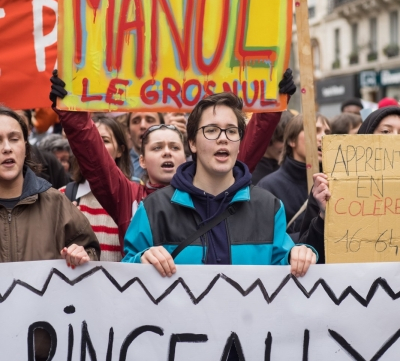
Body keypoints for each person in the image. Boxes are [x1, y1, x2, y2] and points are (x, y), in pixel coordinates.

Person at [50, 70, 295, 252]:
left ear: (190, 151)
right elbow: (94, 157)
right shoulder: (130, 198)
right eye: (157, 147)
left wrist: (272, 102)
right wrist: (71, 110)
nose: (167, 152)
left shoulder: (220, 187)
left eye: (173, 146)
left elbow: (245, 146)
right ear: (142, 160)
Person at [123, 92, 317, 277]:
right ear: (192, 143)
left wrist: (298, 256)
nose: (223, 138)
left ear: (239, 142)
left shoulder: (268, 207)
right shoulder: (153, 210)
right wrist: (141, 261)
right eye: (212, 130)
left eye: (231, 131)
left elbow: (283, 274)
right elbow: (123, 277)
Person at [299, 105, 400, 262]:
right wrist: (325, 215)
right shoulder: (329, 184)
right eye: (386, 132)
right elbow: (307, 253)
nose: (395, 138)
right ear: (367, 136)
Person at [0, 107, 100, 265]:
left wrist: (81, 256)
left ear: (26, 148)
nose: (7, 148)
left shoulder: (56, 203)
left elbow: (90, 252)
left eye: (14, 139)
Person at [62, 115, 132, 261]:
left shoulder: (134, 198)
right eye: (90, 141)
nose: (96, 147)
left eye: (104, 141)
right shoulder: (61, 197)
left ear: (120, 150)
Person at [257, 113, 330, 240]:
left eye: (327, 132)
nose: (323, 137)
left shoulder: (334, 183)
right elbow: (264, 240)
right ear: (292, 140)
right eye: (315, 130)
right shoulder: (268, 187)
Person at [251, 110, 294, 184]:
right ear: (267, 137)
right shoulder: (250, 172)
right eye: (281, 139)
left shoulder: (292, 167)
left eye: (291, 139)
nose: (287, 145)